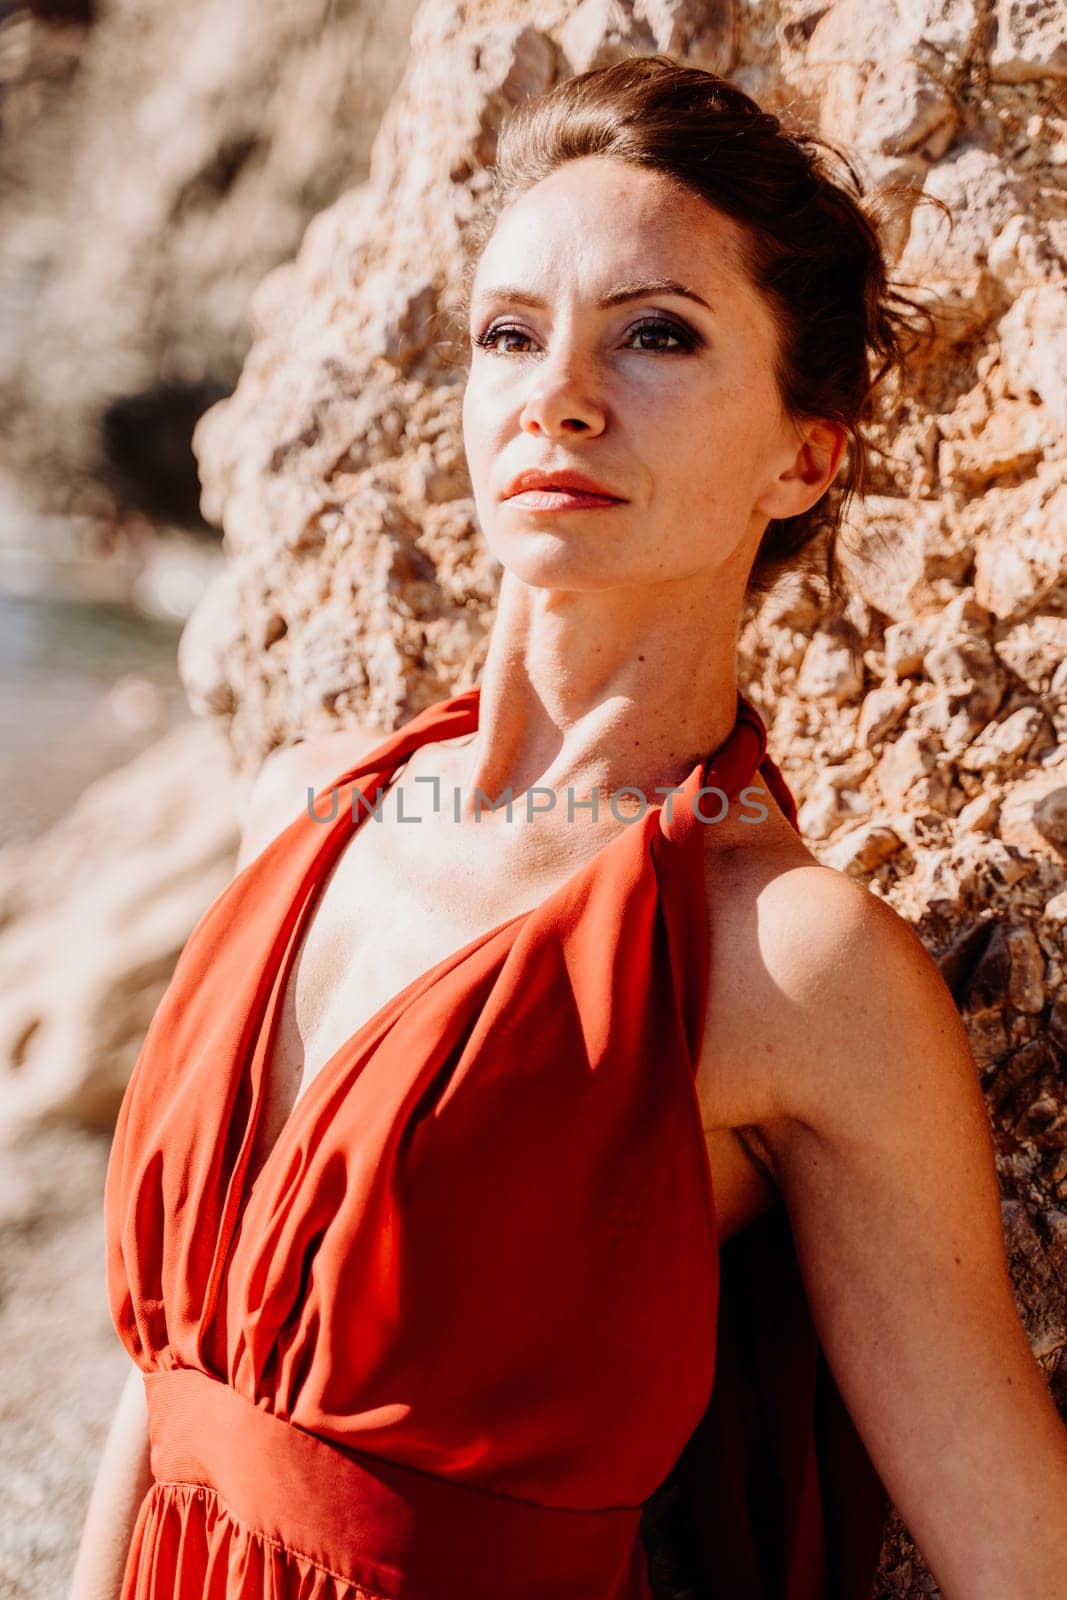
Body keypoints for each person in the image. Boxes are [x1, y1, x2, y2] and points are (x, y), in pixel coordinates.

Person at [70, 54, 1067, 1600]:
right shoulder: (304, 807)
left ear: (806, 456)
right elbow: (161, 1390)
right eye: (510, 335)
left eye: (656, 334)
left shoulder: (787, 962)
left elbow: (1019, 1552)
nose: (560, 394)